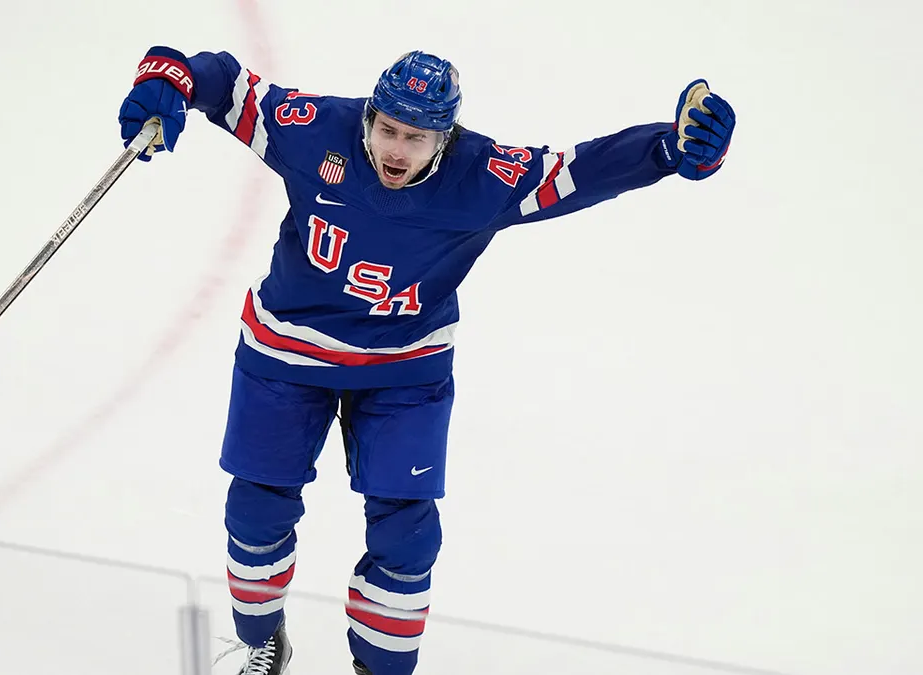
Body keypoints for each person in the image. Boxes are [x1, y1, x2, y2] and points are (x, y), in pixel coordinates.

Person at [117, 46, 735, 675]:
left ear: (445, 138)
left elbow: (580, 171)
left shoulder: (485, 176)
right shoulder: (314, 131)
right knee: (255, 509)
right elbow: (226, 84)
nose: (396, 149)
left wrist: (669, 150)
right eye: (387, 129)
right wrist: (170, 77)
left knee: (406, 534)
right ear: (368, 120)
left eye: (415, 138)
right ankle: (262, 641)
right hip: (286, 352)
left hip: (405, 368)